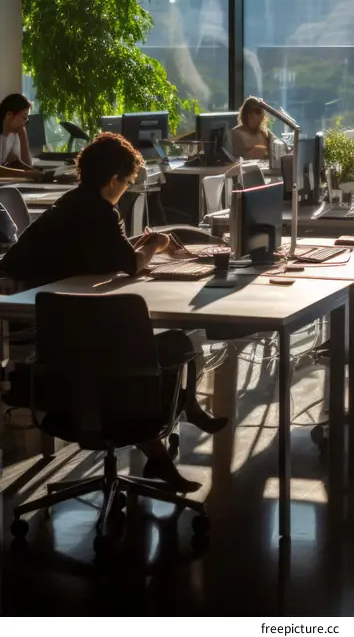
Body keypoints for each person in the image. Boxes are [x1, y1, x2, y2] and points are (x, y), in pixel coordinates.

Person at [0, 131, 226, 492]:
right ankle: (180, 416)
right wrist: (153, 244)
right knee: (172, 344)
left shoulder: (71, 203)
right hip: (79, 338)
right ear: (114, 180)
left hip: (55, 337)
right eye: (128, 181)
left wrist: (129, 248)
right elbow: (133, 266)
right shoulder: (101, 212)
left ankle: (168, 444)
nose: (128, 188)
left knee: (133, 354)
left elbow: (86, 254)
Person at [0, 93, 42, 181]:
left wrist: (35, 172)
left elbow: (17, 162)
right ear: (9, 114)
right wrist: (26, 174)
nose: (25, 123)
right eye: (24, 117)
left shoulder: (13, 134)